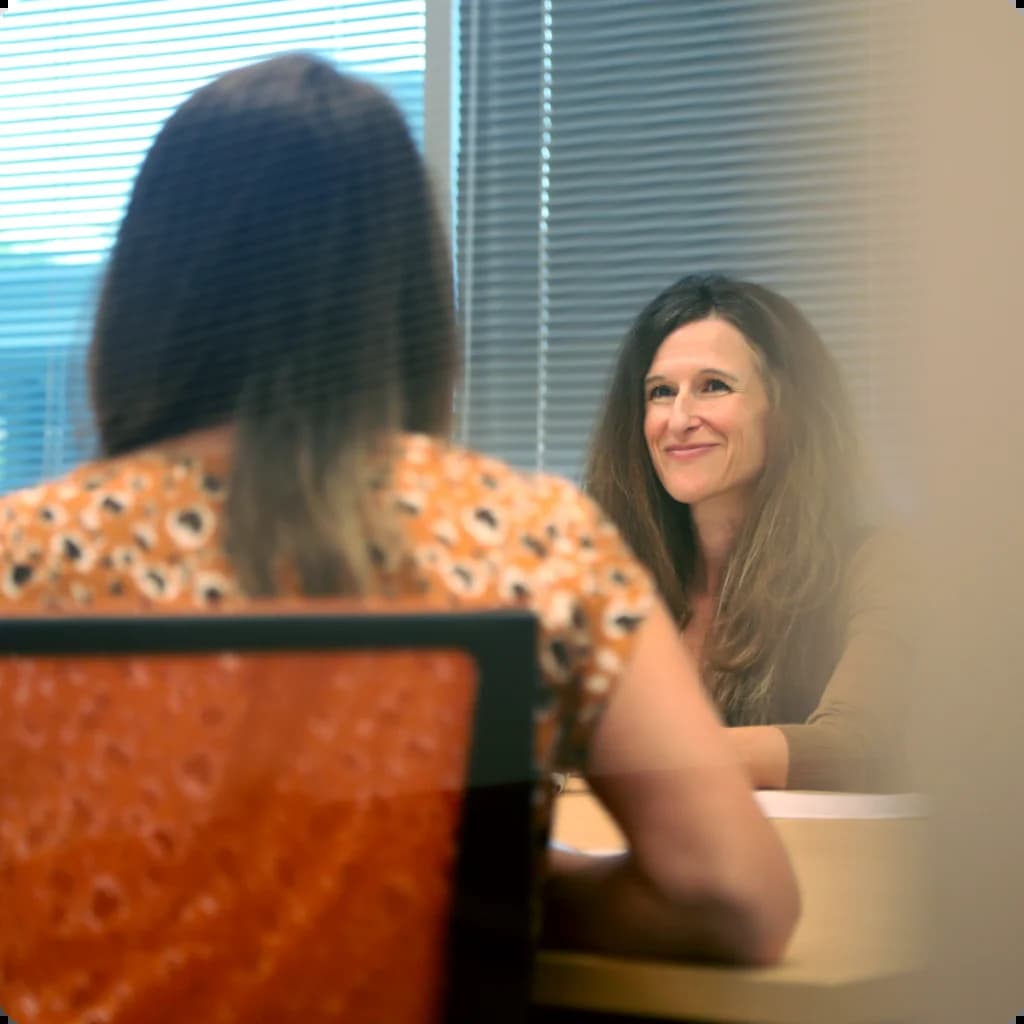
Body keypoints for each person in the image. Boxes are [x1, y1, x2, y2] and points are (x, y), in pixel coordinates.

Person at [0, 56, 798, 1022]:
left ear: (146, 296)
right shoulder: (527, 541)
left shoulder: (21, 555)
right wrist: (496, 890)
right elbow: (734, 897)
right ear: (408, 301)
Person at [586, 273, 917, 793]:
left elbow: (858, 746)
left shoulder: (881, 564)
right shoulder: (609, 579)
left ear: (785, 411)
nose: (679, 419)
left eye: (713, 386)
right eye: (660, 392)